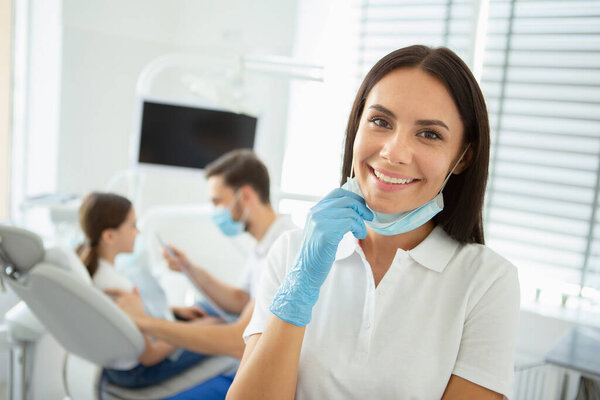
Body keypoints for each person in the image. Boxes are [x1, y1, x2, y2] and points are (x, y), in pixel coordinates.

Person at [227, 45, 520, 400]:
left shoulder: (486, 280)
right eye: (381, 122)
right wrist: (301, 284)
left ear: (463, 157)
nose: (394, 152)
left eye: (429, 134)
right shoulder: (292, 251)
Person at [108, 149, 296, 399]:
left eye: (218, 201)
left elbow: (237, 341)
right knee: (201, 308)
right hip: (243, 342)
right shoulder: (264, 243)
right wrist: (190, 269)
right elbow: (243, 299)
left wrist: (144, 321)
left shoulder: (285, 246)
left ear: (245, 196)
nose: (215, 210)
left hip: (263, 367)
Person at [77, 192, 214, 388]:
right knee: (217, 329)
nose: (138, 232)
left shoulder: (92, 273)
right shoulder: (119, 287)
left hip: (112, 369)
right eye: (133, 225)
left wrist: (175, 311)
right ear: (109, 236)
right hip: (139, 374)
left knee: (203, 311)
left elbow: (129, 318)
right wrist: (198, 330)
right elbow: (150, 356)